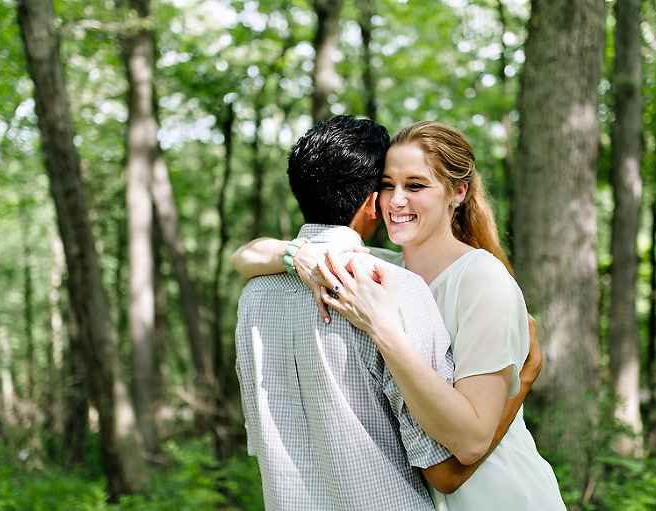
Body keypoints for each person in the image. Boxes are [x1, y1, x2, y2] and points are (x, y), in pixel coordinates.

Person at [233, 120, 563, 510]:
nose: (396, 200)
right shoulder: (381, 269)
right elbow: (245, 256)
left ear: (458, 192)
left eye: (416, 186)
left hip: (496, 493)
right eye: (387, 185)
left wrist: (383, 328)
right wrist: (298, 254)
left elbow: (473, 439)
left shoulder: (481, 279)